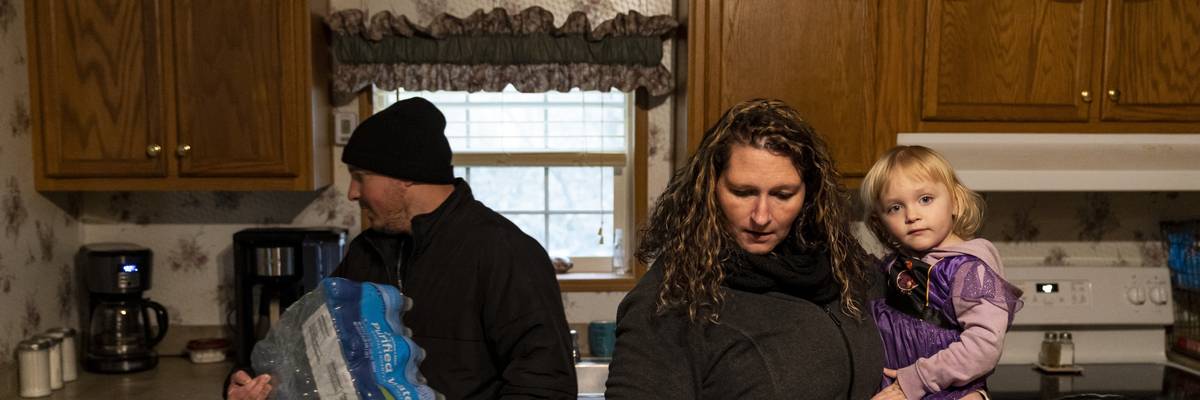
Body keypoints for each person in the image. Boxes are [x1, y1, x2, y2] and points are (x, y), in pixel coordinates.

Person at [227, 97, 577, 400]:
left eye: (360, 176)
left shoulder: (505, 252)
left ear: (404, 174)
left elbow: (545, 385)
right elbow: (310, 346)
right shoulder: (368, 251)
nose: (352, 192)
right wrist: (250, 380)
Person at [604, 99, 883, 399]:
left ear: (809, 194)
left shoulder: (844, 267)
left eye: (783, 194)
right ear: (710, 188)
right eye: (743, 192)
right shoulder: (671, 297)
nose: (761, 216)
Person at [861, 145, 1023, 400]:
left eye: (925, 199)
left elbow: (983, 347)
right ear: (879, 222)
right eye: (895, 207)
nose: (912, 215)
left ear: (955, 202)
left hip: (947, 393)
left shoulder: (969, 269)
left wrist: (915, 380)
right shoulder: (892, 266)